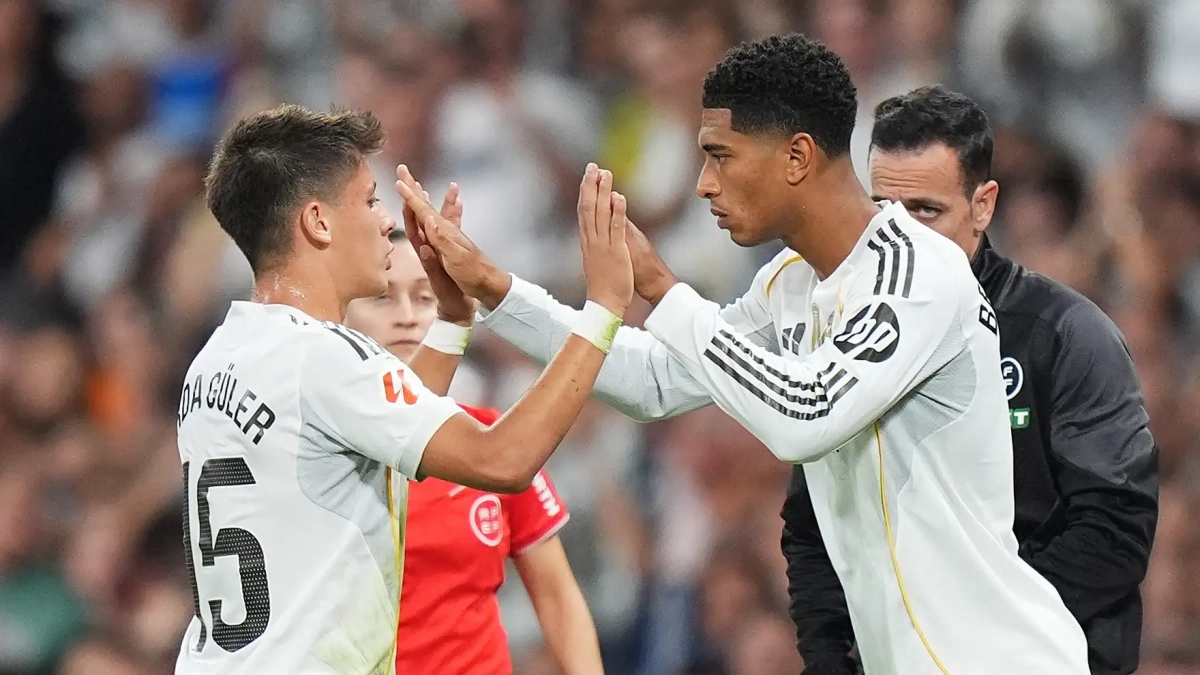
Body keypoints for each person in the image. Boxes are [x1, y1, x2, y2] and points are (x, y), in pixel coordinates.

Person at [400, 34, 1090, 674]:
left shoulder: (920, 273)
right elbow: (657, 382)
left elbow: (807, 412)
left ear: (795, 156)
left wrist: (665, 289)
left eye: (720, 154)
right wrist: (496, 290)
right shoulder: (789, 282)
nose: (702, 183)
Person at [173, 104, 633, 674]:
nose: (383, 216)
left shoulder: (216, 360)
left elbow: (379, 426)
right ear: (318, 222)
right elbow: (503, 459)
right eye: (368, 200)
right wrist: (604, 311)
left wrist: (453, 322)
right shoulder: (323, 357)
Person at [779, 85, 1158, 675]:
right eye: (883, 209)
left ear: (983, 205)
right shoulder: (844, 330)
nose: (899, 237)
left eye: (926, 211)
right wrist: (827, 657)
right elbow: (815, 523)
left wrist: (977, 633)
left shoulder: (1063, 335)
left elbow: (1115, 528)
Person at [343, 222, 605, 675]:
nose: (407, 315)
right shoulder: (324, 452)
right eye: (383, 297)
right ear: (341, 317)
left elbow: (560, 599)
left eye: (427, 298)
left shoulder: (492, 441)